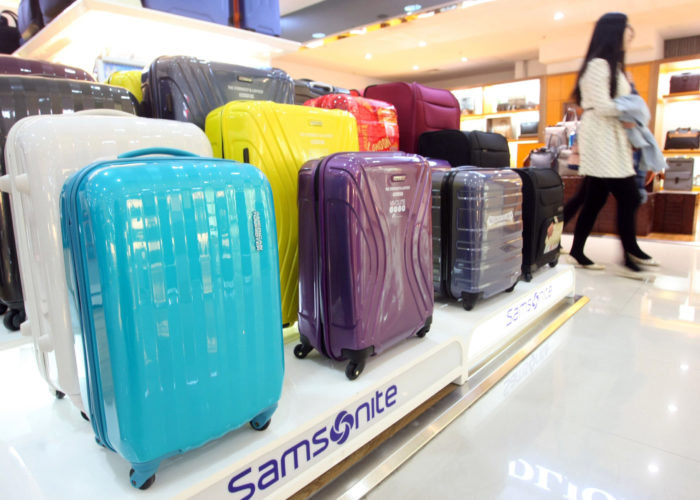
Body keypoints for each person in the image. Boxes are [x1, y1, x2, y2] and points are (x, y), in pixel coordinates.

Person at [568, 12, 657, 278]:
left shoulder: (611, 66)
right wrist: (627, 114)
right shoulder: (598, 66)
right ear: (614, 34)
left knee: (594, 199)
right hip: (603, 139)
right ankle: (629, 253)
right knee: (628, 196)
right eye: (626, 34)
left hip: (611, 138)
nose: (628, 40)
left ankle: (579, 251)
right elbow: (602, 104)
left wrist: (626, 116)